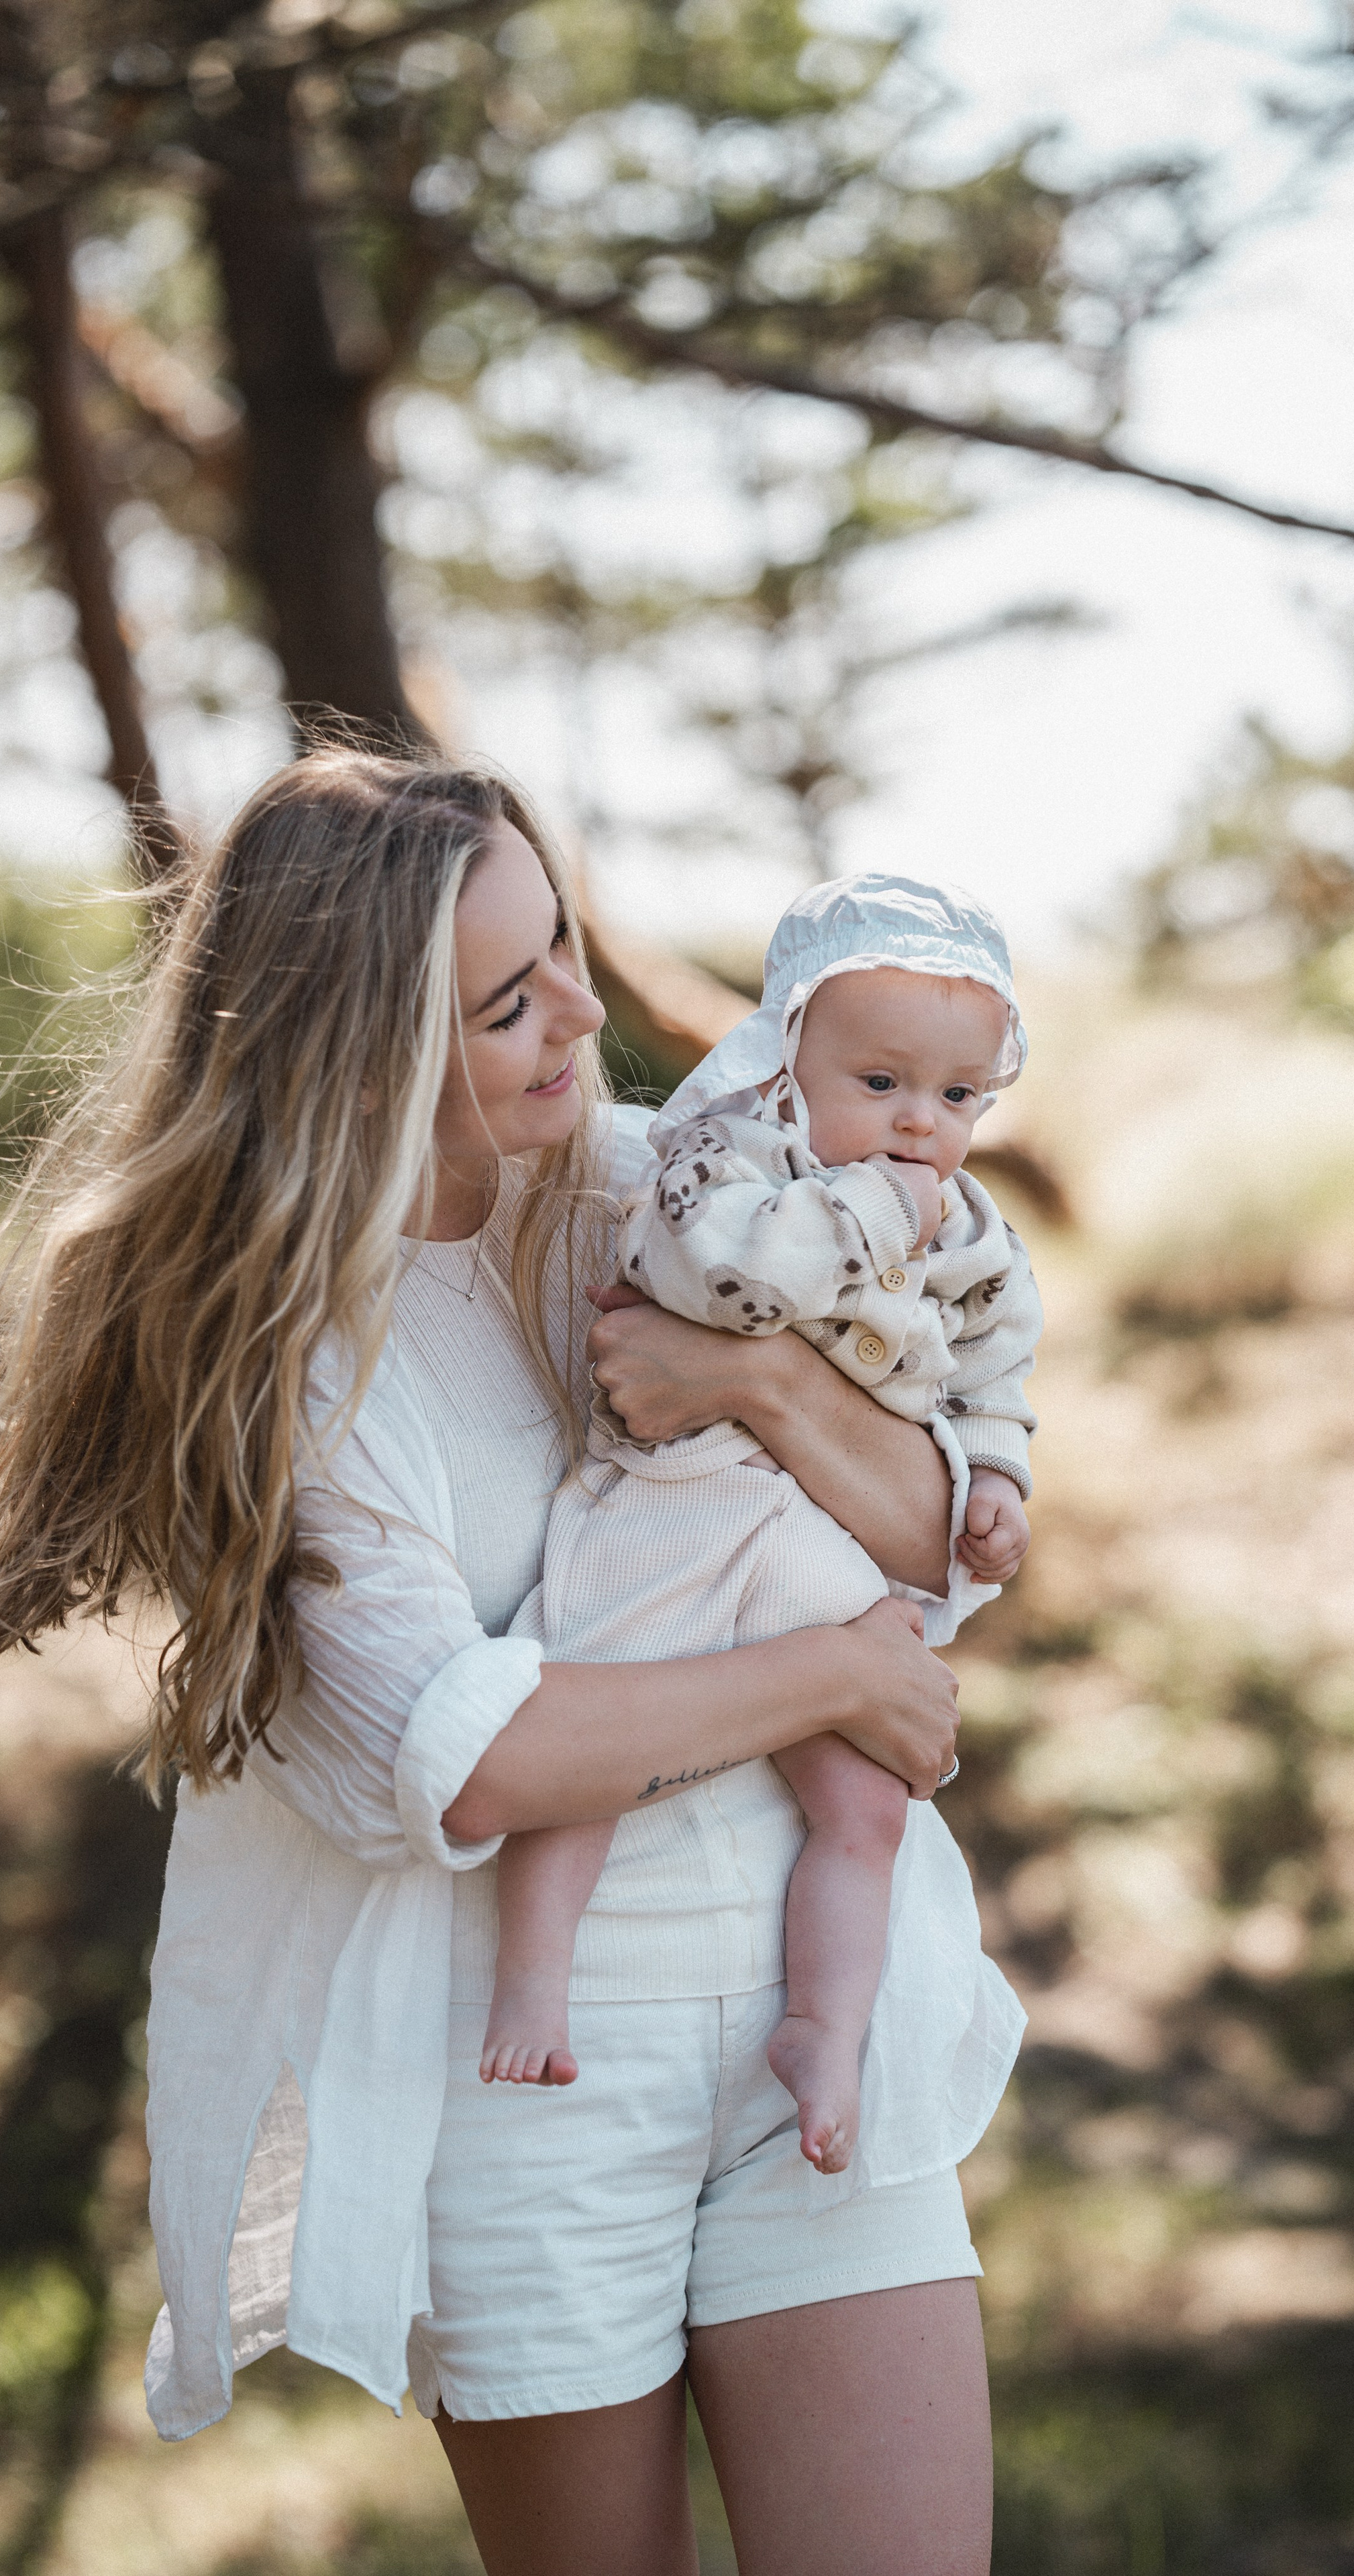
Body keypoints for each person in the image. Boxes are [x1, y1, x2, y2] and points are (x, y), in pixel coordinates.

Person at [0, 748, 1014, 2576]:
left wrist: (753, 1380)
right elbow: (474, 1758)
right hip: (526, 2099)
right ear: (366, 1052)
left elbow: (929, 1521)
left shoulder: (654, 1196)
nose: (588, 1010)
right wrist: (831, 1683)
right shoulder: (286, 1373)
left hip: (824, 2022)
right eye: (512, 999)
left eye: (565, 942)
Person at [482, 874, 1038, 2188]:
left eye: (955, 1100)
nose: (916, 1124)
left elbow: (990, 1363)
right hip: (679, 1502)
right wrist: (863, 1214)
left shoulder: (960, 1223)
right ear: (788, 1052)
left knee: (868, 1802)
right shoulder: (719, 1158)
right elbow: (715, 1287)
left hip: (814, 1539)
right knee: (598, 1739)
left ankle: (823, 2030)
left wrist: (998, 1475)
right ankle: (531, 1984)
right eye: (881, 1081)